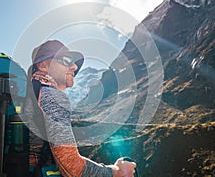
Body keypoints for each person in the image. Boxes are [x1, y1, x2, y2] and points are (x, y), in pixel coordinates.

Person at [26, 40, 136, 177]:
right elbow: (71, 166)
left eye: (74, 63)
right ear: (43, 65)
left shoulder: (32, 92)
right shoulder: (52, 96)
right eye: (66, 60)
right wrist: (116, 172)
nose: (74, 67)